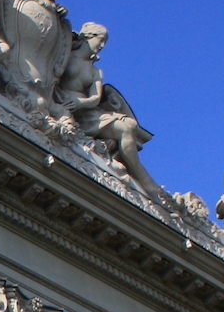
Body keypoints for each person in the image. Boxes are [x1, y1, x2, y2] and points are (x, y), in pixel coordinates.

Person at [57, 23, 167, 201]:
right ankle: (146, 182)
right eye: (100, 41)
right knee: (126, 128)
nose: (101, 46)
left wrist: (80, 103)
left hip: (85, 110)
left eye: (104, 43)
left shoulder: (96, 72)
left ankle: (140, 176)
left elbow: (94, 98)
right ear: (88, 37)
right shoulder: (65, 54)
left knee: (129, 126)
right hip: (62, 102)